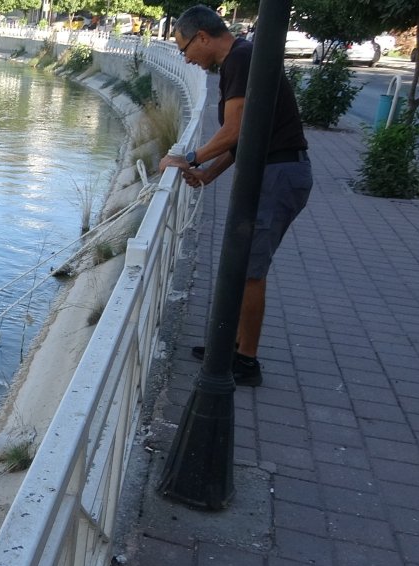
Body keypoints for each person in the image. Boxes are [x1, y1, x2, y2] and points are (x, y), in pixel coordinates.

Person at [158, 4, 313, 387]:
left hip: (278, 174)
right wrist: (207, 175)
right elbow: (247, 134)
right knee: (242, 264)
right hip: (273, 170)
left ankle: (246, 362)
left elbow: (235, 129)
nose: (186, 59)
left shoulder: (241, 60)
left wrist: (188, 157)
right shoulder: (240, 59)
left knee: (250, 271)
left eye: (184, 49)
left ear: (203, 37)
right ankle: (231, 346)